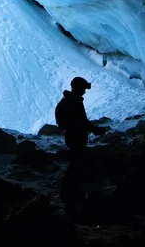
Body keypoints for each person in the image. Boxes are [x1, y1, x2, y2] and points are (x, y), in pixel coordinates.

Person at [55, 76, 106, 213]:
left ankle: (70, 191)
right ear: (78, 88)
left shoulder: (70, 101)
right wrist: (95, 130)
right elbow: (82, 121)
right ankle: (69, 192)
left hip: (73, 136)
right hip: (76, 136)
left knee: (76, 162)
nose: (84, 91)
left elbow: (79, 121)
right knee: (77, 163)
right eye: (83, 88)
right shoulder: (74, 102)